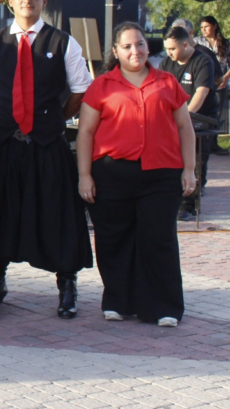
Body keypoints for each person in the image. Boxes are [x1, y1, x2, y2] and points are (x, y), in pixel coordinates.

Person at [0, 0, 93, 319]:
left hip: (47, 145)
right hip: (5, 146)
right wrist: (3, 118)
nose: (27, 0)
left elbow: (81, 90)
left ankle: (66, 284)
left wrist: (52, 120)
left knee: (58, 213)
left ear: (43, 1)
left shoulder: (63, 42)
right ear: (10, 2)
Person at [77, 22, 195, 327]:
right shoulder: (101, 85)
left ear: (147, 47)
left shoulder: (167, 82)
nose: (135, 51)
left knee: (158, 238)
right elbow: (86, 132)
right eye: (127, 46)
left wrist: (190, 170)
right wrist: (85, 175)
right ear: (116, 51)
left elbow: (185, 128)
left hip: (161, 174)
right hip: (111, 174)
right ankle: (118, 299)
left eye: (140, 44)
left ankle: (165, 306)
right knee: (114, 239)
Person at [159, 26, 218, 221]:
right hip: (173, 121)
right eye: (167, 49)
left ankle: (189, 205)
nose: (169, 53)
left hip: (201, 119)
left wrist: (184, 117)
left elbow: (200, 94)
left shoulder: (202, 61)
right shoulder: (167, 63)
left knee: (196, 159)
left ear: (185, 44)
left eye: (173, 49)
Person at [195, 15, 230, 152]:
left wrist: (225, 77)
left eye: (207, 27)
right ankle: (200, 143)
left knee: (217, 114)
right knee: (202, 113)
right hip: (203, 82)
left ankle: (213, 144)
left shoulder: (225, 44)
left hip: (220, 83)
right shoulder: (198, 42)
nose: (204, 30)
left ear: (215, 26)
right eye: (202, 27)